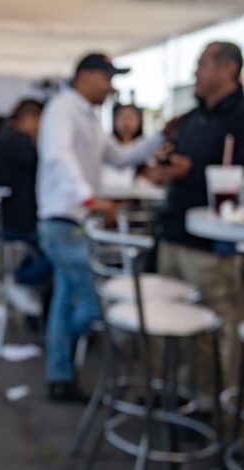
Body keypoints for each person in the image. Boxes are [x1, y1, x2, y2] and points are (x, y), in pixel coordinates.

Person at [36, 53, 165, 402]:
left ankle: (59, 372)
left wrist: (161, 136)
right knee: (96, 301)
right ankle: (59, 353)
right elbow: (57, 157)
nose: (111, 87)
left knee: (67, 301)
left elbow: (121, 158)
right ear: (85, 76)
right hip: (64, 221)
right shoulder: (63, 108)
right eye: (107, 78)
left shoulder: (88, 116)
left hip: (72, 220)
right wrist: (91, 200)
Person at [144, 41, 244, 392]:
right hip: (173, 230)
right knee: (171, 323)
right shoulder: (189, 118)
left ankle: (214, 409)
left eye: (202, 65)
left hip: (213, 244)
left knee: (214, 328)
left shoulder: (238, 116)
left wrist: (195, 171)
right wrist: (166, 170)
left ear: (227, 69)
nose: (195, 74)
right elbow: (170, 160)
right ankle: (176, 394)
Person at [0, 99, 50, 315]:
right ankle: (20, 280)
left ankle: (22, 279)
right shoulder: (21, 144)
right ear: (31, 119)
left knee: (50, 243)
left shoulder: (5, 139)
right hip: (11, 222)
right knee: (58, 248)